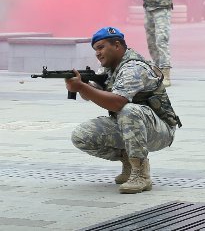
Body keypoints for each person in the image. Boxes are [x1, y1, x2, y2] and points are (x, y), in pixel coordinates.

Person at [68, 27, 180, 194]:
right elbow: (93, 93)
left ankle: (141, 174)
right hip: (132, 125)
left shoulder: (133, 67)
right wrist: (81, 86)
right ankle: (129, 161)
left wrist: (82, 87)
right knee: (81, 135)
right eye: (95, 50)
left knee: (128, 110)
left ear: (117, 45)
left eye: (101, 47)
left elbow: (117, 103)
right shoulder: (108, 68)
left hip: (160, 130)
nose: (97, 53)